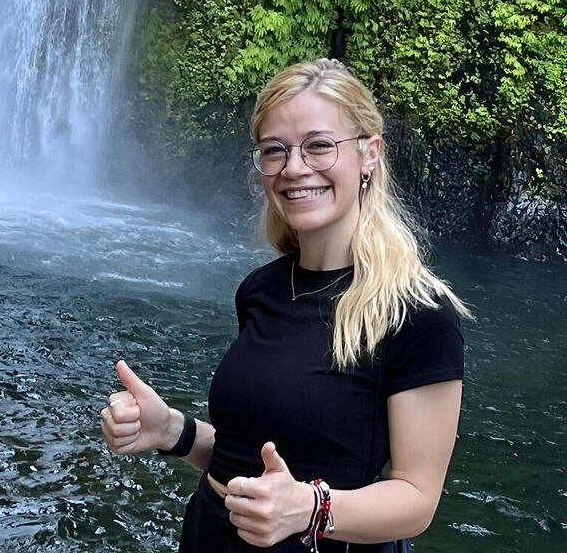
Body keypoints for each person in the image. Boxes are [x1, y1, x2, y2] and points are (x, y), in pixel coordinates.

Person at [99, 58, 469, 552]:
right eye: (275, 151)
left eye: (319, 145)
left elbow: (418, 500)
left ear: (369, 154)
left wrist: (311, 510)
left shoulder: (416, 312)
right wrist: (172, 429)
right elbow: (248, 457)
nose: (294, 168)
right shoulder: (261, 290)